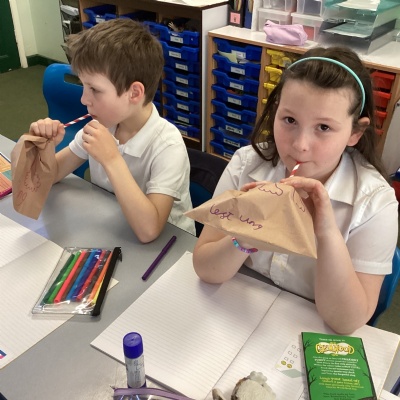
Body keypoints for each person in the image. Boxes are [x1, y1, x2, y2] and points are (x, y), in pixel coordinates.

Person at [193, 46, 398, 334]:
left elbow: (346, 322)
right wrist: (246, 235)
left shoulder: (376, 203)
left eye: (323, 127)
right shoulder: (246, 164)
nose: (300, 145)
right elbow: (205, 268)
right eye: (289, 120)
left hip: (306, 328)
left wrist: (326, 233)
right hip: (237, 313)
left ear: (355, 132)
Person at [16, 18, 195, 242]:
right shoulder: (101, 126)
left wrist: (111, 159)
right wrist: (46, 150)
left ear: (134, 93)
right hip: (115, 229)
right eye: (83, 85)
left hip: (169, 246)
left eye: (94, 89)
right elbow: (48, 178)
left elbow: (149, 231)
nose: (84, 99)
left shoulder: (168, 146)